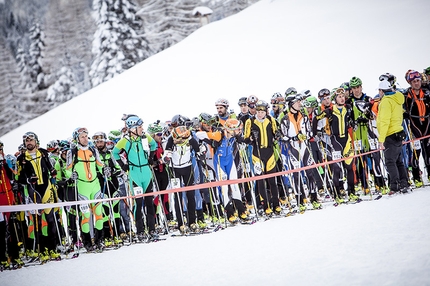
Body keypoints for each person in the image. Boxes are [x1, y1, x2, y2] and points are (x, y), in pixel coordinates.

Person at [112, 116, 159, 241]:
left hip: (146, 172)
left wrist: (151, 157)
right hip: (134, 174)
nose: (142, 128)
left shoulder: (145, 137)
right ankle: (140, 231)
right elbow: (114, 153)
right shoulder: (125, 140)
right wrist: (123, 165)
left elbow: (154, 144)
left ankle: (152, 229)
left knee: (149, 201)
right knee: (138, 203)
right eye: (139, 127)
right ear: (132, 129)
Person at [16, 132, 61, 261]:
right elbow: (19, 177)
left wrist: (53, 172)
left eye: (31, 140)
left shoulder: (43, 153)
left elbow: (49, 167)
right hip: (33, 190)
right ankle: (39, 250)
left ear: (36, 141)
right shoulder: (21, 158)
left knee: (50, 219)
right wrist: (28, 179)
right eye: (26, 141)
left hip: (46, 188)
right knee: (37, 221)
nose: (29, 142)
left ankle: (51, 248)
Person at [66, 127, 108, 251]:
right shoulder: (72, 152)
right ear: (77, 139)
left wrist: (105, 169)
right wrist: (71, 176)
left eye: (86, 135)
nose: (85, 138)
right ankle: (87, 242)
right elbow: (68, 170)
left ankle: (99, 240)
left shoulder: (93, 150)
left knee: (99, 214)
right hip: (82, 186)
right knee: (86, 216)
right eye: (82, 136)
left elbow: (100, 165)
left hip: (95, 186)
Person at [348, 76, 385, 195]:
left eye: (358, 87)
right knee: (360, 159)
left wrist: (367, 117)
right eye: (354, 88)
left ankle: (380, 183)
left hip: (369, 131)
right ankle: (365, 184)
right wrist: (352, 122)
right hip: (357, 133)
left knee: (375, 157)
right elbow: (347, 118)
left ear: (361, 87)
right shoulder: (349, 102)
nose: (356, 90)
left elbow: (374, 114)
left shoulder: (368, 99)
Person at [243, 100, 281, 216]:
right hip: (257, 154)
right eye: (258, 111)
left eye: (262, 112)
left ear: (266, 111)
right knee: (260, 180)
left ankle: (276, 204)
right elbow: (245, 138)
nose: (259, 114)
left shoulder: (271, 120)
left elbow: (276, 134)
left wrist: (278, 135)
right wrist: (251, 138)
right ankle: (265, 205)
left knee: (272, 180)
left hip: (269, 152)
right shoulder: (250, 121)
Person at [164, 125, 201, 234]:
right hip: (174, 169)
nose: (174, 139)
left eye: (177, 138)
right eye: (174, 137)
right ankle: (181, 223)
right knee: (178, 196)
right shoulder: (171, 139)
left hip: (187, 168)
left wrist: (201, 152)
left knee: (191, 194)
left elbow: (198, 150)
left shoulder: (190, 140)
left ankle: (192, 221)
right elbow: (167, 152)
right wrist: (166, 157)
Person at [376, 80, 409, 195]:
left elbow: (385, 121)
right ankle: (404, 183)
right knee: (398, 161)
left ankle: (395, 186)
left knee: (390, 161)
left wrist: (381, 139)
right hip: (399, 132)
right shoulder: (397, 98)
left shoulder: (385, 102)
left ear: (382, 91)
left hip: (390, 134)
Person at [92, 131, 123, 246]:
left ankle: (117, 234)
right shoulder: (94, 156)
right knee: (104, 212)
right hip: (101, 187)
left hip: (113, 185)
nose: (99, 144)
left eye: (101, 141)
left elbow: (118, 168)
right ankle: (106, 236)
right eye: (97, 142)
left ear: (105, 141)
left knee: (116, 211)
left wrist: (112, 172)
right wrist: (100, 173)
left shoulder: (110, 154)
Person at [403, 70, 430, 187]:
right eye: (414, 81)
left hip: (427, 125)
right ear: (410, 82)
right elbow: (402, 107)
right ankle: (416, 177)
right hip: (414, 126)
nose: (417, 83)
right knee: (415, 152)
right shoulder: (407, 94)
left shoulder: (427, 92)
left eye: (418, 80)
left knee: (428, 151)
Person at [0, 141, 23, 269]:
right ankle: (2, 258)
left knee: (13, 229)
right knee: (2, 230)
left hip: (10, 200)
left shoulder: (4, 163)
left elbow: (13, 175)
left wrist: (15, 182)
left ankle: (14, 256)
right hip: (1, 202)